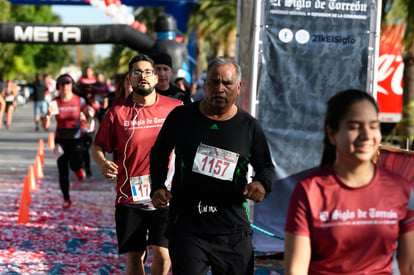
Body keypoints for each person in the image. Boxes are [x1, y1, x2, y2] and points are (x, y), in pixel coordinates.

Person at [149, 56, 276, 275]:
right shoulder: (181, 117)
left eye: (226, 83)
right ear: (205, 85)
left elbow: (265, 166)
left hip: (232, 231)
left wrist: (261, 184)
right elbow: (159, 152)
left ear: (238, 88)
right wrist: (158, 185)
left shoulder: (249, 126)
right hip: (188, 228)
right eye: (214, 82)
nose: (220, 88)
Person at [284, 89, 414, 274]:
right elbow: (296, 270)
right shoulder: (309, 191)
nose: (366, 135)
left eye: (373, 126)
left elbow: (409, 266)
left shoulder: (401, 190)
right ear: (332, 134)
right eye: (354, 127)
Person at [91, 54, 182, 275]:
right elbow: (98, 146)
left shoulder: (176, 108)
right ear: (129, 80)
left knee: (163, 254)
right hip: (130, 197)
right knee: (135, 256)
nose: (143, 76)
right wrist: (103, 163)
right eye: (136, 72)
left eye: (148, 72)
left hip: (165, 195)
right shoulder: (117, 111)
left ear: (156, 77)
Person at [42, 74, 86, 209]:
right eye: (62, 84)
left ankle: (78, 169)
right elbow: (46, 126)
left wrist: (87, 117)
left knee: (74, 164)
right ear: (58, 87)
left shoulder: (80, 101)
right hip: (60, 140)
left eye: (68, 83)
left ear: (72, 85)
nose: (65, 86)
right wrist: (48, 114)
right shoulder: (54, 102)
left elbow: (88, 119)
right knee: (62, 169)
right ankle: (66, 198)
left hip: (76, 139)